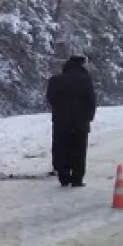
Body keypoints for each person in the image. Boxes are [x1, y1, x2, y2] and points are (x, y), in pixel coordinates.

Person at [46, 55, 97, 187]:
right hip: (80, 121)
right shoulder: (85, 79)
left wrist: (60, 110)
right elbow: (91, 100)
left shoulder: (56, 80)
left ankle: (64, 177)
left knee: (62, 148)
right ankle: (77, 178)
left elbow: (50, 98)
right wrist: (89, 116)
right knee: (79, 150)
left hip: (61, 121)